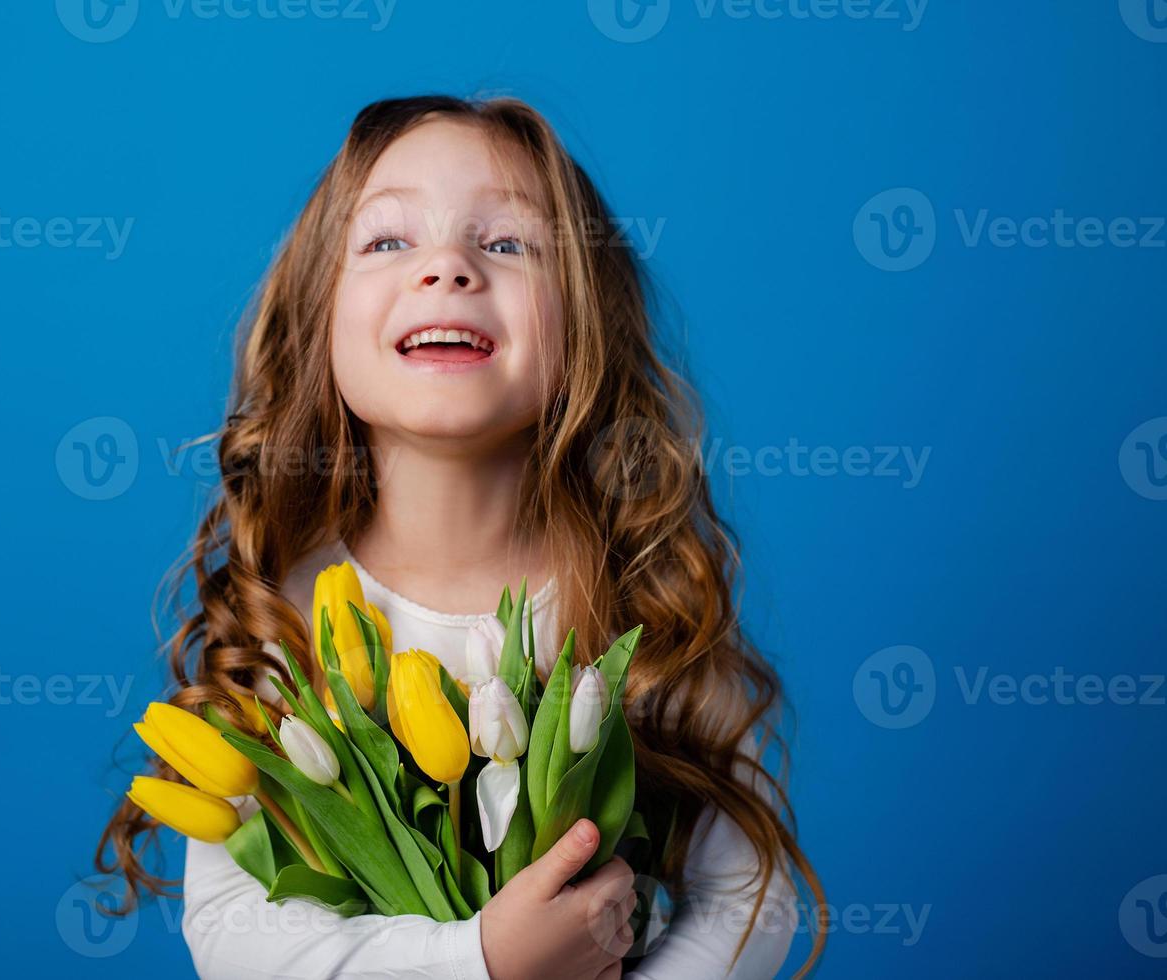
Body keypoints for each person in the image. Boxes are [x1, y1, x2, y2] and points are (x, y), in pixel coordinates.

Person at [97, 94, 825, 979]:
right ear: (318, 314)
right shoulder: (287, 614)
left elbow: (752, 893)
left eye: (509, 243)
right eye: (389, 241)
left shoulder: (639, 598)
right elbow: (233, 929)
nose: (447, 268)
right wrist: (478, 961)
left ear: (589, 319)